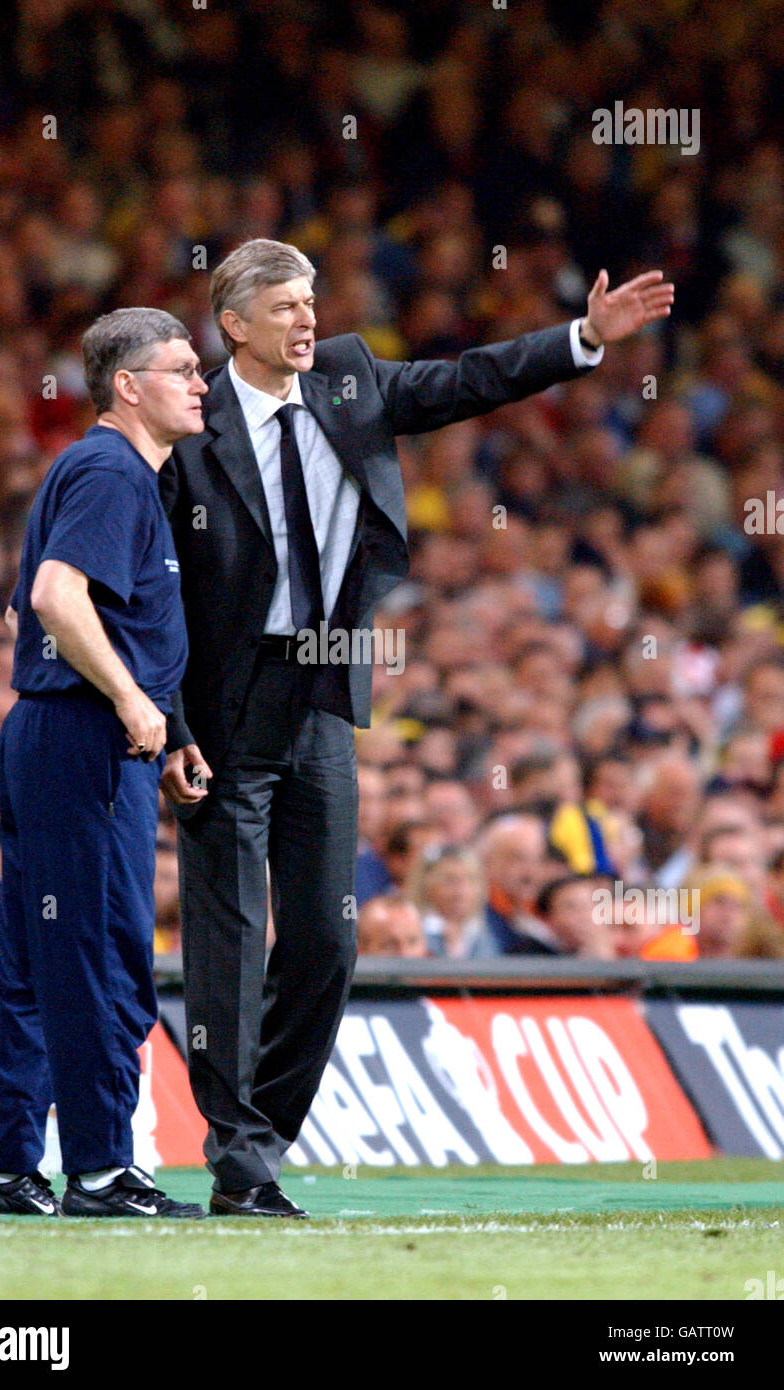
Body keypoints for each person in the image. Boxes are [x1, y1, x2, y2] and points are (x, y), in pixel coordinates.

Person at [159, 237, 673, 1216]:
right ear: (233, 325)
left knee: (324, 939)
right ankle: (239, 1160)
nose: (308, 321)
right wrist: (168, 723)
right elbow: (156, 593)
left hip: (320, 695)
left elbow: (466, 379)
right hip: (221, 706)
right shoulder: (187, 419)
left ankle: (255, 1135)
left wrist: (580, 339)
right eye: (284, 309)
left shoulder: (350, 377)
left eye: (312, 302)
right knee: (226, 939)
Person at [0, 308, 208, 1220]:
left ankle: (2, 1165)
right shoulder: (112, 469)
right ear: (129, 387)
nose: (201, 382)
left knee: (33, 953)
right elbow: (57, 598)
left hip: (59, 735)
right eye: (182, 368)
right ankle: (104, 1169)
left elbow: (119, 620)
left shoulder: (110, 473)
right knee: (99, 950)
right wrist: (134, 703)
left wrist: (170, 725)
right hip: (86, 739)